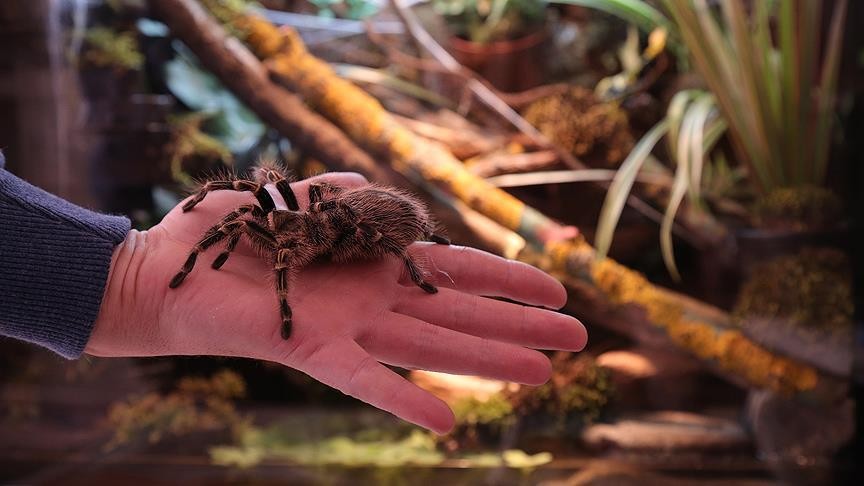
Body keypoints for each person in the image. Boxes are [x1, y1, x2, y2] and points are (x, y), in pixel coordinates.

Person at [0, 152, 587, 434]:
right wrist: (142, 275)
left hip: (371, 223)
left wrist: (129, 275)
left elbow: (386, 228)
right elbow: (249, 207)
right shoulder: (280, 226)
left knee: (350, 226)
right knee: (247, 222)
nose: (270, 234)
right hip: (340, 224)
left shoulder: (334, 227)